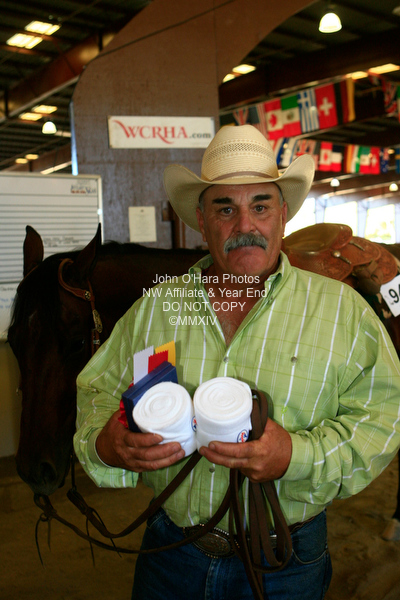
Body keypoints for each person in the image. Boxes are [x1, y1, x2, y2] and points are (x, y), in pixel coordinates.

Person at [74, 125, 400, 600]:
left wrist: (295, 455)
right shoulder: (156, 308)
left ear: (283, 214)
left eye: (260, 206)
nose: (245, 225)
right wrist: (108, 444)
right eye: (225, 208)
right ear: (201, 221)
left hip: (285, 559)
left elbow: (382, 421)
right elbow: (97, 392)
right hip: (171, 552)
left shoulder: (343, 312)